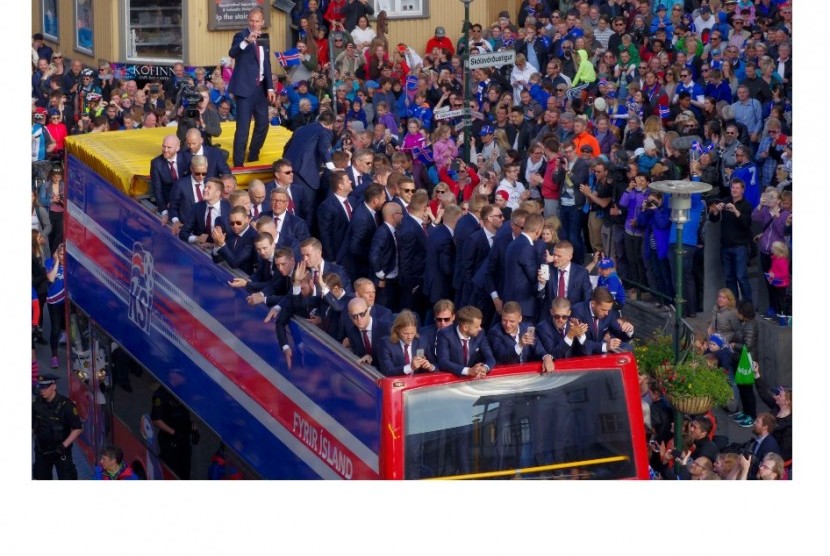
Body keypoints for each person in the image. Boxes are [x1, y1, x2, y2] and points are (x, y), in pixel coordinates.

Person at [228, 6, 276, 167]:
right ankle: (238, 164)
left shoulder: (264, 38)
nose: (255, 24)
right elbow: (232, 53)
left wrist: (270, 87)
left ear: (262, 22)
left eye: (257, 21)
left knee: (263, 124)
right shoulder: (240, 36)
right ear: (248, 21)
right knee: (243, 129)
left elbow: (266, 64)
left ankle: (253, 154)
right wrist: (246, 41)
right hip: (244, 90)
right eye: (252, 21)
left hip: (260, 89)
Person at [708, 178, 753, 302]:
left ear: (742, 190)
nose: (734, 190)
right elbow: (713, 219)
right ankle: (733, 306)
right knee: (729, 277)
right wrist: (716, 210)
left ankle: (748, 305)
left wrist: (735, 210)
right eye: (733, 187)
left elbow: (746, 223)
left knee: (741, 277)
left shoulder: (747, 205)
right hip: (725, 246)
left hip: (740, 247)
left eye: (737, 188)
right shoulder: (725, 200)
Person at [32, 373, 83, 480]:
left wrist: (63, 446)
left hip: (61, 451)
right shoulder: (36, 404)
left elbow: (77, 428)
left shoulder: (67, 405)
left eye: (45, 388)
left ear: (54, 386)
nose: (42, 391)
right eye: (40, 388)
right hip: (41, 451)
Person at [486, 301, 554, 371]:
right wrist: (520, 345)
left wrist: (546, 357)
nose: (507, 324)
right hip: (505, 376)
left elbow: (539, 349)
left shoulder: (527, 328)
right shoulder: (495, 332)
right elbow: (503, 356)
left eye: (512, 321)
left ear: (520, 319)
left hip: (526, 375)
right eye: (504, 320)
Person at [282, 111, 335, 195]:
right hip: (306, 174)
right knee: (307, 205)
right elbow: (323, 149)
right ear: (331, 125)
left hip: (288, 169)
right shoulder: (325, 131)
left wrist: (284, 164)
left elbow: (287, 147)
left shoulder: (301, 129)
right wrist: (332, 168)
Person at [570, 286, 634, 355]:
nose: (607, 313)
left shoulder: (609, 312)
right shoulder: (577, 311)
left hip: (599, 351)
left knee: (627, 347)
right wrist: (605, 346)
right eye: (603, 310)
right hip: (580, 354)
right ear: (593, 304)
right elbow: (583, 344)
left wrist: (629, 330)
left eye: (608, 310)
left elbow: (619, 333)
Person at [436, 305, 496, 378]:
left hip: (473, 380)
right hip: (452, 380)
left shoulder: (480, 334)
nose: (480, 329)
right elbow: (443, 362)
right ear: (465, 327)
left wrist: (484, 368)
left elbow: (490, 358)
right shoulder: (444, 334)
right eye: (476, 327)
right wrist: (468, 371)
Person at [151, 384, 195, 479]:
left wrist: (194, 430)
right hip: (169, 439)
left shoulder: (183, 391)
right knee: (171, 468)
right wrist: (174, 433)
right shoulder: (160, 395)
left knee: (185, 469)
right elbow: (156, 419)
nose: (183, 380)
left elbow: (189, 414)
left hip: (184, 438)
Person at [377, 310, 437, 377]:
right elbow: (387, 371)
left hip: (418, 383)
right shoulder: (385, 343)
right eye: (405, 333)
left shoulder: (421, 341)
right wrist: (410, 367)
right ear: (397, 330)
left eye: (412, 333)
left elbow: (435, 365)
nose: (410, 337)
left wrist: (430, 367)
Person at [538, 239, 593, 311]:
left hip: (573, 314)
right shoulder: (548, 269)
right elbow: (539, 296)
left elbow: (587, 298)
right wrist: (541, 284)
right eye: (554, 255)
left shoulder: (581, 273)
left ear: (569, 257)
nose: (555, 258)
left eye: (559, 256)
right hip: (551, 313)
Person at [150, 134, 187, 222]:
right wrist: (164, 212)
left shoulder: (187, 158)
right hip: (169, 203)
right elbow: (157, 190)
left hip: (187, 201)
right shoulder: (156, 163)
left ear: (177, 148)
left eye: (169, 147)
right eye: (163, 146)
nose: (165, 150)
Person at [345, 296, 390, 366]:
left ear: (369, 310)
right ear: (350, 316)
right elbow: (358, 355)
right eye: (354, 316)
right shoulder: (352, 332)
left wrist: (371, 357)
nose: (359, 319)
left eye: (362, 314)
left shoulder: (386, 328)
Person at [44, 243, 66, 369]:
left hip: (67, 301)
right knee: (56, 328)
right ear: (57, 253)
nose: (64, 256)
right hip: (54, 302)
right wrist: (57, 262)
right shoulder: (49, 262)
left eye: (65, 254)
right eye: (61, 254)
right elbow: (51, 278)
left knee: (72, 328)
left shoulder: (70, 264)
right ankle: (54, 356)